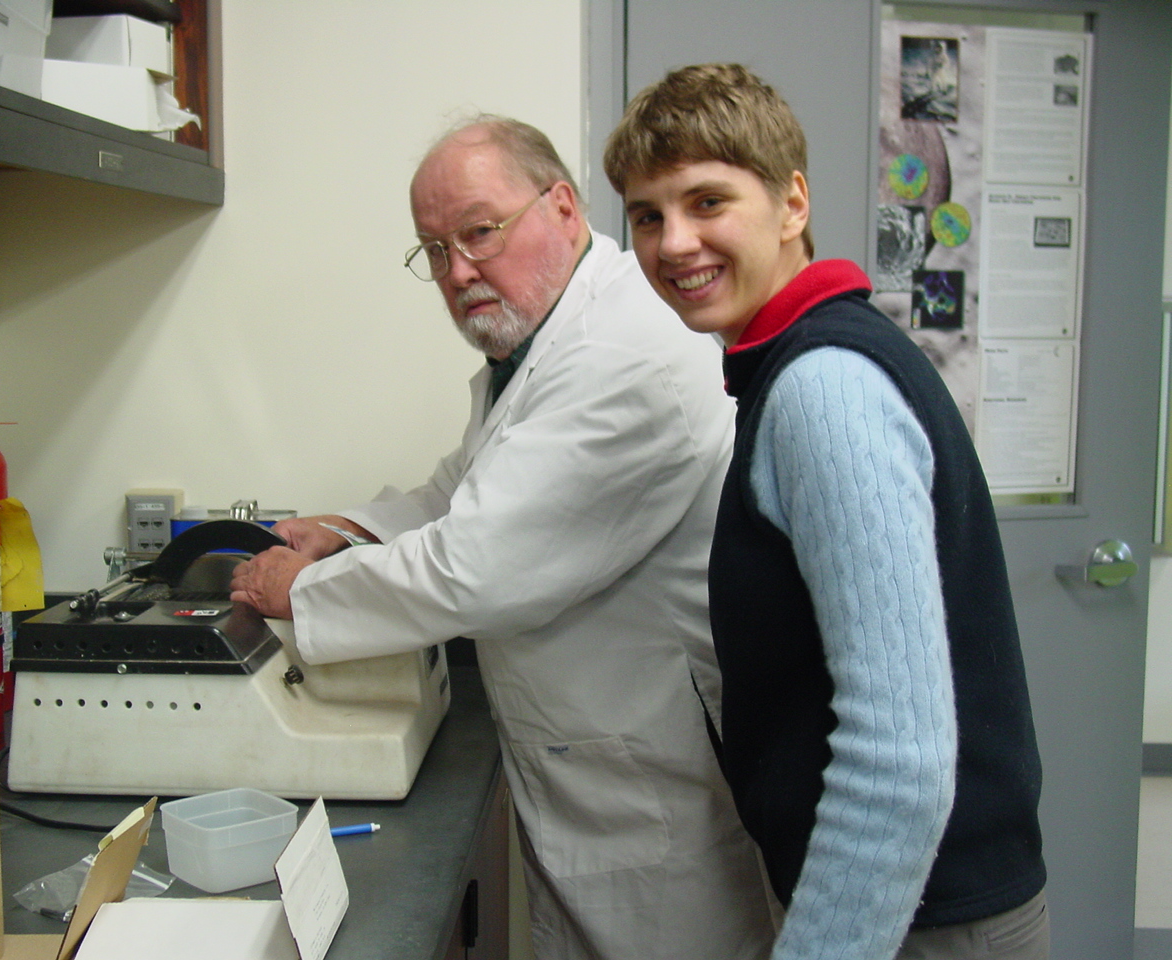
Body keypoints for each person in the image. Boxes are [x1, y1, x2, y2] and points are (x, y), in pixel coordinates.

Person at [230, 115, 775, 960]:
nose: (458, 270)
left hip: (651, 797)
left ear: (560, 207)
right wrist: (347, 530)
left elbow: (476, 565)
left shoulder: (630, 353)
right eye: (435, 250)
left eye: (479, 233)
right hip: (590, 766)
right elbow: (470, 482)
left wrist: (295, 592)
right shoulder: (546, 335)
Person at [603, 63, 1048, 960]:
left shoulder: (824, 390)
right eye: (648, 215)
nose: (674, 242)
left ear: (792, 203)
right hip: (909, 905)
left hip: (923, 922)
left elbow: (901, 761)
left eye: (707, 202)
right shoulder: (812, 360)